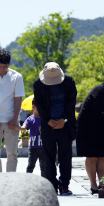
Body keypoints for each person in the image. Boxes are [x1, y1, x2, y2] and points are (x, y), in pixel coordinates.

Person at [32, 62, 77, 195]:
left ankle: (64, 185)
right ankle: (51, 185)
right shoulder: (38, 84)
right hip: (48, 125)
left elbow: (71, 102)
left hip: (65, 124)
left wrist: (64, 119)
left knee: (65, 156)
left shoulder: (68, 81)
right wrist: (47, 120)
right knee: (48, 156)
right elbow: (38, 103)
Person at [17, 106, 46, 177]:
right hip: (33, 147)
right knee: (30, 166)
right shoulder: (30, 119)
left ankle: (44, 183)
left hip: (44, 147)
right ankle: (28, 181)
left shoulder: (45, 118)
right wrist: (15, 127)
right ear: (33, 107)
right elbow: (23, 128)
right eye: (38, 107)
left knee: (44, 167)